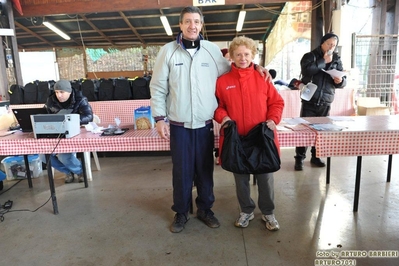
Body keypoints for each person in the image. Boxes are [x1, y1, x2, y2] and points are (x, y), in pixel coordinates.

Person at [150, 6, 271, 233]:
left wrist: (256, 67)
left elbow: (234, 68)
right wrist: (159, 118)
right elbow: (157, 87)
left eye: (196, 21)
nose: (192, 25)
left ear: (201, 24)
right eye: (187, 21)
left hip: (205, 125)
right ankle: (182, 212)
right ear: (180, 25)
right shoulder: (168, 52)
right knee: (182, 171)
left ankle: (205, 209)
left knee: (205, 170)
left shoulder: (210, 50)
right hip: (179, 125)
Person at [214, 36, 284, 231]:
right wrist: (224, 118)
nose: (242, 58)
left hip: (261, 137)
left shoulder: (263, 78)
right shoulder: (222, 82)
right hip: (236, 138)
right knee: (241, 178)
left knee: (265, 177)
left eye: (246, 54)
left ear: (253, 55)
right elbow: (217, 107)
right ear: (232, 57)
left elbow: (276, 103)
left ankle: (268, 213)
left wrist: (273, 120)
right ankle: (246, 210)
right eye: (238, 54)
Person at [294, 33, 347, 171]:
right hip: (310, 98)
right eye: (329, 44)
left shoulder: (336, 59)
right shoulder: (310, 56)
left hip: (326, 99)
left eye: (334, 45)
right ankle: (299, 158)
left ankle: (316, 156)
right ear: (322, 43)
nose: (331, 47)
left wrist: (340, 81)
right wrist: (323, 61)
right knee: (304, 130)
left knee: (321, 130)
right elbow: (307, 70)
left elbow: (342, 78)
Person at [42, 79, 93, 183]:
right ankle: (68, 172)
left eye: (62, 92)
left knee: (63, 156)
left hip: (74, 133)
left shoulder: (81, 99)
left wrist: (72, 121)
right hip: (55, 133)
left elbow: (89, 116)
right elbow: (43, 115)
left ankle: (80, 171)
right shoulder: (50, 100)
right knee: (43, 156)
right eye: (56, 92)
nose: (59, 95)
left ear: (69, 92)